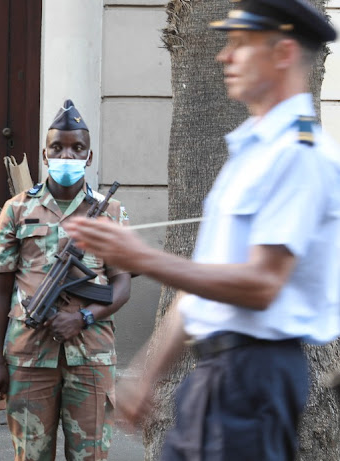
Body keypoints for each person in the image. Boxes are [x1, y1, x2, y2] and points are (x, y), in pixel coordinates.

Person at [64, 1, 340, 459]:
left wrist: (143, 258)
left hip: (256, 374)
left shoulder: (295, 154)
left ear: (284, 53)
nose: (224, 56)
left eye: (240, 44)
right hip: (218, 374)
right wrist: (149, 373)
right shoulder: (253, 151)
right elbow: (207, 282)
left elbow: (262, 284)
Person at [0, 100, 132, 461]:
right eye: (58, 148)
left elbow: (122, 285)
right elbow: (0, 289)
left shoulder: (110, 211)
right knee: (31, 455)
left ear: (89, 155)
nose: (68, 154)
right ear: (45, 155)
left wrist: (82, 317)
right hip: (30, 355)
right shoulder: (17, 208)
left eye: (77, 148)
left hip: (91, 356)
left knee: (90, 455)